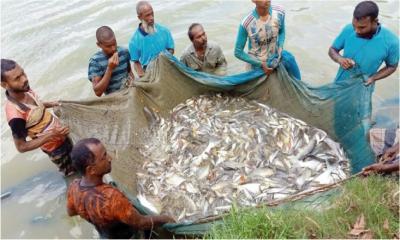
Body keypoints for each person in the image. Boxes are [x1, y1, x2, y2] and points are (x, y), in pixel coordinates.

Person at [67, 138, 174, 239]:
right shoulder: (111, 198)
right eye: (104, 157)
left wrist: (93, 213)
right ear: (91, 170)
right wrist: (166, 219)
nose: (110, 158)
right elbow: (141, 223)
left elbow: (71, 212)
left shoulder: (74, 188)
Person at [1, 59, 75, 176]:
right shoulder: (15, 115)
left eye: (23, 73)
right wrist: (52, 135)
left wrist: (52, 103)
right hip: (55, 149)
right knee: (72, 173)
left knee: (79, 161)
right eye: (17, 78)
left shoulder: (26, 89)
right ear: (5, 85)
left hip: (63, 135)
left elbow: (36, 107)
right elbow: (21, 147)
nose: (24, 79)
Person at [328, 1, 398, 84]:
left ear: (375, 21)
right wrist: (340, 59)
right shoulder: (348, 29)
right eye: (354, 26)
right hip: (339, 83)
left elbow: (392, 66)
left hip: (364, 86)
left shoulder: (392, 42)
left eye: (362, 27)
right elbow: (333, 50)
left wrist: (373, 78)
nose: (357, 31)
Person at [234, 0, 301, 80]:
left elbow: (282, 31)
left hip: (275, 57)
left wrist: (280, 47)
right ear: (253, 1)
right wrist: (260, 64)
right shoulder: (247, 23)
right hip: (256, 62)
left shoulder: (279, 12)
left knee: (290, 60)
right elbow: (238, 52)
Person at [128, 1, 175, 77]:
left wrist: (164, 59)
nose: (152, 18)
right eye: (147, 15)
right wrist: (143, 77)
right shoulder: (134, 42)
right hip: (149, 71)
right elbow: (136, 63)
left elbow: (171, 49)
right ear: (139, 17)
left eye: (152, 13)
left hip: (167, 64)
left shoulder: (164, 31)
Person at [88, 26, 134, 97]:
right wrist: (109, 69)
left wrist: (134, 85)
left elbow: (129, 73)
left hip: (129, 94)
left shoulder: (124, 52)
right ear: (99, 45)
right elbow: (98, 92)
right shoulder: (95, 62)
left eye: (114, 43)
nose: (113, 48)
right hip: (113, 100)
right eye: (108, 46)